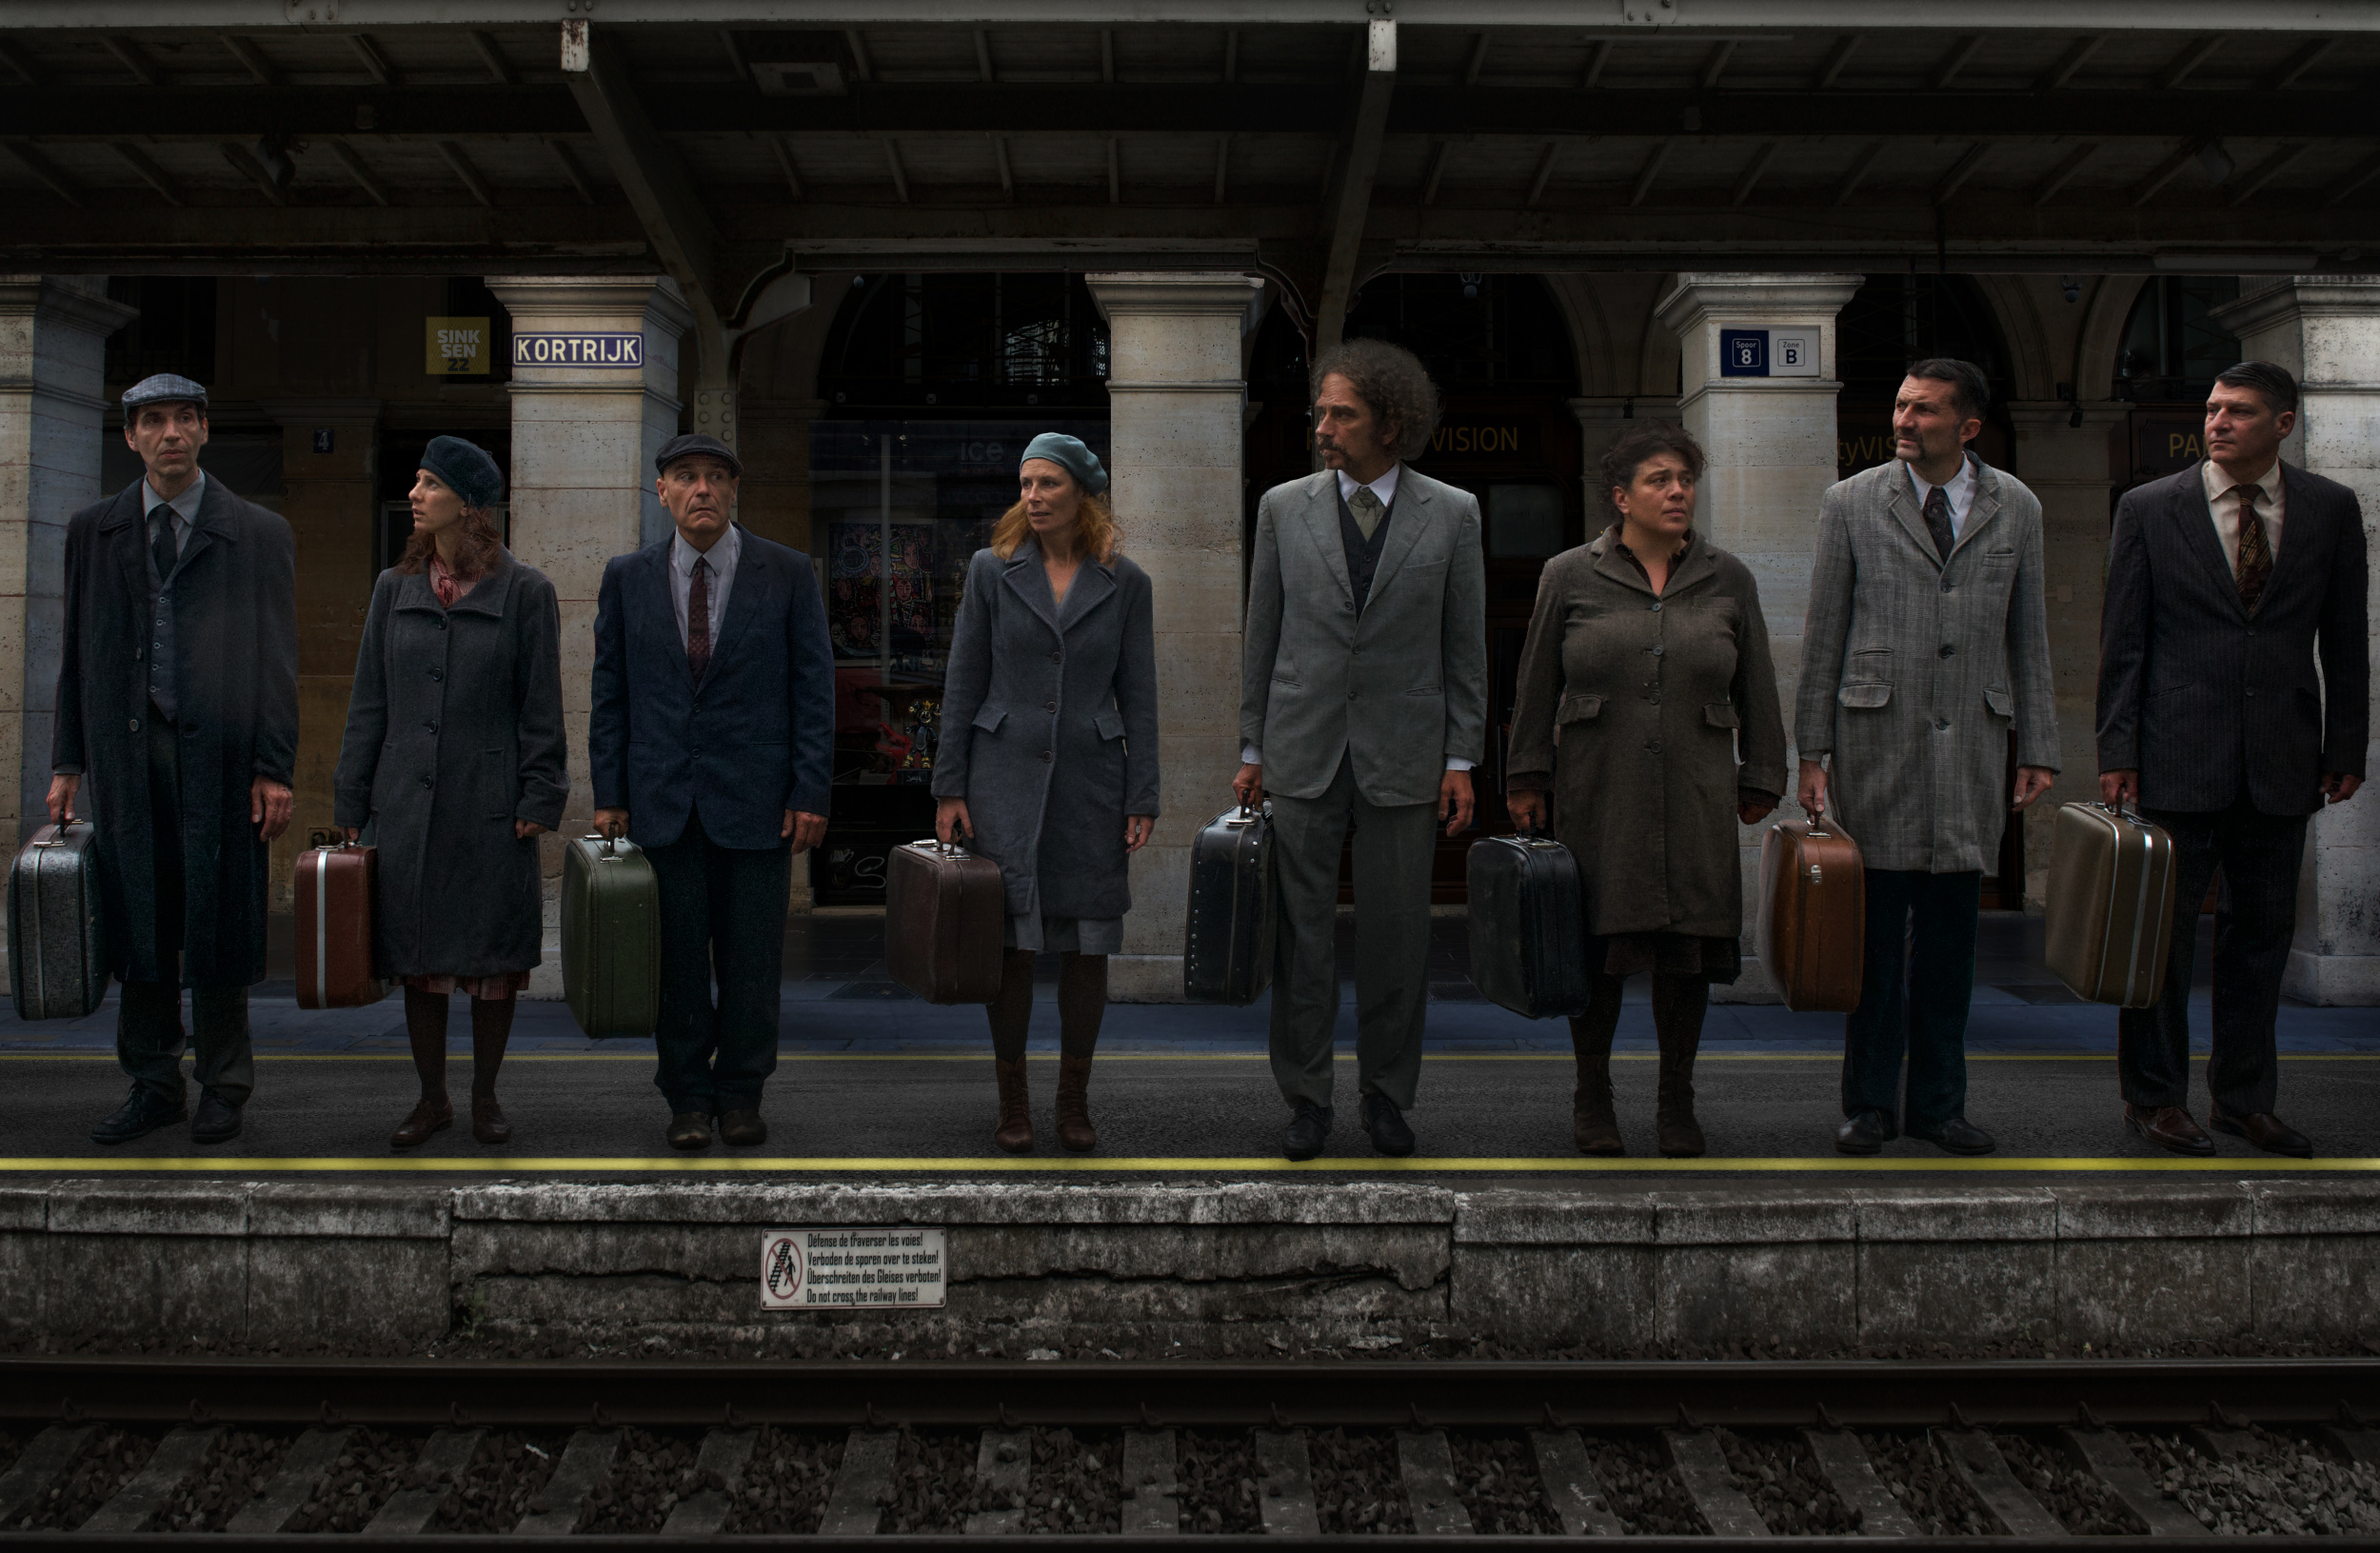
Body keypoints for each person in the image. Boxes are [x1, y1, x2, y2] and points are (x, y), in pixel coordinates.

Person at [2097, 360, 2368, 1159]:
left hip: (2284, 758)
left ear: (2283, 423)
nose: (2218, 422)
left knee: (2261, 938)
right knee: (2161, 941)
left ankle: (2244, 1101)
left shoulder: (2329, 508)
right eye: (2214, 408)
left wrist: (2345, 745)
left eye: (2239, 411)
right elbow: (2123, 641)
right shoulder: (2150, 507)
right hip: (2175, 755)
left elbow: (2345, 638)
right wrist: (2118, 749)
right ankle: (2153, 1098)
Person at [1797, 357, 2058, 1158]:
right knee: (1874, 948)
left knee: (1950, 947)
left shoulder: (2017, 506)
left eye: (1925, 410)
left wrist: (2039, 746)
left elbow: (2030, 633)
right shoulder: (1851, 501)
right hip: (1877, 743)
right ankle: (1870, 1105)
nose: (1904, 421)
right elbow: (1823, 631)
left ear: (1968, 426)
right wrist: (1812, 752)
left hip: (1972, 745)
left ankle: (1941, 1107)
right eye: (1902, 405)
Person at [1505, 423, 1786, 1157]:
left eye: (1686, 479)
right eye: (1660, 479)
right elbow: (1536, 683)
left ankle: (1675, 1100)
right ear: (1622, 497)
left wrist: (1763, 772)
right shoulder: (1569, 575)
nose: (1677, 491)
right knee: (1596, 946)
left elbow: (1758, 683)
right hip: (1600, 791)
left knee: (1686, 950)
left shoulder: (1729, 578)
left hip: (1697, 789)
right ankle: (1592, 1095)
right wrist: (1526, 774)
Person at [1238, 338, 1488, 1161]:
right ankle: (1306, 1100)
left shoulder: (1452, 512)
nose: (1323, 427)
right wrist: (1252, 746)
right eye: (1320, 412)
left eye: (1342, 414)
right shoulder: (1283, 507)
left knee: (1398, 938)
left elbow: (1465, 645)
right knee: (1300, 939)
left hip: (1407, 754)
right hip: (1301, 747)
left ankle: (1387, 1095)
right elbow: (1262, 635)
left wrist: (1461, 757)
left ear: (1392, 422)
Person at [51, 373, 297, 1145]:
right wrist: (67, 762)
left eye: (185, 418)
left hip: (223, 759)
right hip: (126, 757)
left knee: (218, 921)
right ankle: (153, 1083)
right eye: (153, 421)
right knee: (140, 922)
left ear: (204, 429)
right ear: (130, 437)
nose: (171, 433)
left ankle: (223, 1083)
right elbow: (75, 653)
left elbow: (279, 662)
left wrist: (275, 766)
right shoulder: (93, 530)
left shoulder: (257, 531)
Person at [590, 432, 836, 1151]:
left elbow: (813, 689)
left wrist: (810, 790)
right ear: (662, 490)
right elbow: (610, 693)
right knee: (675, 965)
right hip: (661, 801)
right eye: (686, 476)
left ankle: (742, 1094)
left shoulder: (785, 572)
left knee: (752, 962)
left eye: (716, 476)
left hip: (759, 802)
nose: (702, 488)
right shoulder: (626, 577)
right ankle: (688, 1098)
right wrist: (610, 791)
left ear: (734, 490)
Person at [333, 437, 566, 1149]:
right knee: (420, 962)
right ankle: (431, 1098)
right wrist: (351, 802)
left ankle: (485, 1096)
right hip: (406, 805)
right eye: (416, 481)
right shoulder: (392, 588)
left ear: (468, 504)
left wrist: (539, 794)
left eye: (430, 483)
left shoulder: (525, 591)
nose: (414, 494)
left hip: (490, 805)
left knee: (494, 963)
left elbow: (541, 705)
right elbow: (368, 702)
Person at [933, 434, 1159, 1154]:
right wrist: (949, 786)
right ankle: (1012, 1102)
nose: (1032, 496)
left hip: (1092, 784)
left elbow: (1141, 697)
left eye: (1048, 484)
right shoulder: (991, 571)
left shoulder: (1127, 583)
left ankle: (1072, 1101)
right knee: (1012, 948)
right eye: (1026, 483)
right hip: (1002, 779)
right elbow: (963, 681)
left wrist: (1143, 794)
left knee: (1087, 947)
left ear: (1081, 495)